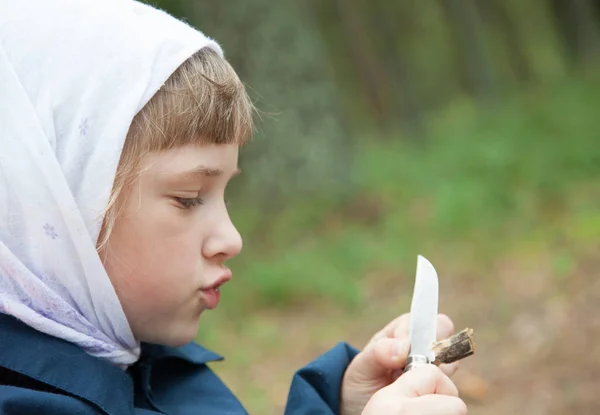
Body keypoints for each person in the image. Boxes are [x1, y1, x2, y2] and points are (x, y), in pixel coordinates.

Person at [0, 1, 468, 414]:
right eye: (188, 199)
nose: (232, 239)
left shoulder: (144, 363)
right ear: (55, 211)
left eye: (225, 194)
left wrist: (340, 405)